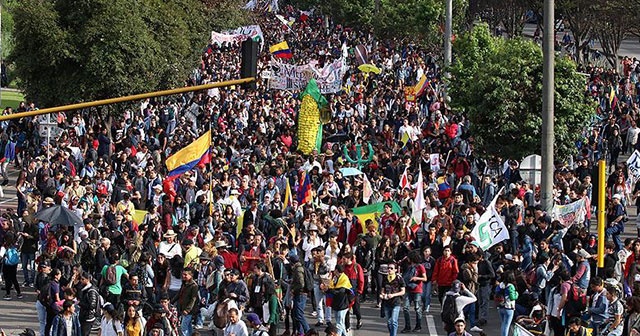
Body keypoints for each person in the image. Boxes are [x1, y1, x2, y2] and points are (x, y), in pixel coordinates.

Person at [380, 262, 405, 336]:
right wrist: (383, 295)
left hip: (396, 302)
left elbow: (403, 291)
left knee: (394, 321)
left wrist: (393, 295)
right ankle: (392, 333)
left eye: (391, 268)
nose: (389, 270)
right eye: (388, 268)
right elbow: (382, 291)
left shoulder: (399, 278)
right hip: (387, 303)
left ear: (395, 270)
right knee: (389, 322)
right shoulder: (385, 279)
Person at [175, 268, 198, 336]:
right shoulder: (184, 283)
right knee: (188, 326)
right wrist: (171, 301)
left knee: (183, 328)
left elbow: (193, 299)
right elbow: (179, 293)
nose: (183, 276)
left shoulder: (194, 286)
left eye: (185, 274)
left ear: (191, 275)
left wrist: (187, 310)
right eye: (182, 274)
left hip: (189, 310)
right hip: (183, 307)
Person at [496, 272, 518, 336]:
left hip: (500, 306)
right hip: (509, 307)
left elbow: (496, 293)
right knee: (507, 325)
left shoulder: (500, 285)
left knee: (503, 324)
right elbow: (512, 297)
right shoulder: (511, 286)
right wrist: (516, 294)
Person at [78, 272, 101, 336]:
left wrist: (80, 303)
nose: (81, 281)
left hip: (88, 317)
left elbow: (92, 305)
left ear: (88, 280)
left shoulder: (91, 291)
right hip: (84, 315)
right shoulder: (84, 289)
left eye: (83, 279)